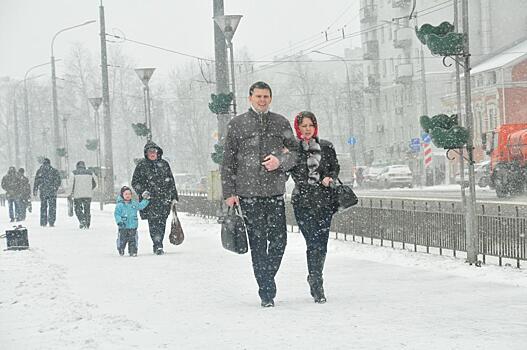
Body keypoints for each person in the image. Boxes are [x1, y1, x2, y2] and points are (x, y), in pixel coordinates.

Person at [221, 81, 298, 307]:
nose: (262, 100)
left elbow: (295, 153)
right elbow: (228, 161)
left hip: (274, 191)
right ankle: (266, 292)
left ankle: (267, 279)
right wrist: (229, 192)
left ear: (270, 99)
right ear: (250, 98)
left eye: (266, 96)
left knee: (279, 241)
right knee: (257, 242)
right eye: (258, 96)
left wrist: (280, 161)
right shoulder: (237, 125)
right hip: (248, 193)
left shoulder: (280, 122)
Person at [290, 111, 340, 303]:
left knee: (322, 243)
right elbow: (288, 170)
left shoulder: (326, 147)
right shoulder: (294, 149)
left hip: (324, 202)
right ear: (298, 128)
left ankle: (315, 276)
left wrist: (330, 177)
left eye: (310, 125)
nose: (307, 129)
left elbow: (335, 167)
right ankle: (317, 282)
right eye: (303, 126)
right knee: (312, 242)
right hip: (303, 202)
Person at [132, 141, 178, 255]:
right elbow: (135, 182)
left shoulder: (164, 164)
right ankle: (157, 244)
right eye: (150, 152)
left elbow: (171, 181)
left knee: (162, 223)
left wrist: (173, 196)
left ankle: (159, 243)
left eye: (154, 151)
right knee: (153, 223)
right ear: (146, 153)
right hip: (150, 200)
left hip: (163, 199)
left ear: (158, 153)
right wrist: (143, 191)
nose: (152, 154)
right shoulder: (141, 165)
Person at [114, 186, 150, 257]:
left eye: (129, 194)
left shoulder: (134, 204)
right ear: (122, 195)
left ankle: (133, 251)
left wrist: (146, 200)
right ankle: (121, 248)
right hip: (123, 226)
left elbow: (141, 206)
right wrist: (119, 221)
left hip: (133, 226)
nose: (128, 196)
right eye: (126, 194)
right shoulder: (120, 205)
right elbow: (117, 214)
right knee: (122, 240)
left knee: (133, 240)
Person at [33, 158, 61, 227]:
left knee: (43, 207)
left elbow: (36, 181)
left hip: (43, 191)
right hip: (52, 192)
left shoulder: (40, 171)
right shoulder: (54, 171)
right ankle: (51, 221)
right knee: (52, 207)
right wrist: (55, 188)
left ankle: (43, 222)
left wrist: (35, 189)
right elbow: (58, 181)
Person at [69, 161, 97, 229]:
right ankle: (87, 223)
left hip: (77, 194)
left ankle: (82, 220)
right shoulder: (90, 173)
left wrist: (70, 193)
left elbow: (71, 185)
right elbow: (95, 183)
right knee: (87, 209)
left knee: (77, 208)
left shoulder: (73, 173)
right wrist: (90, 189)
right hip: (88, 195)